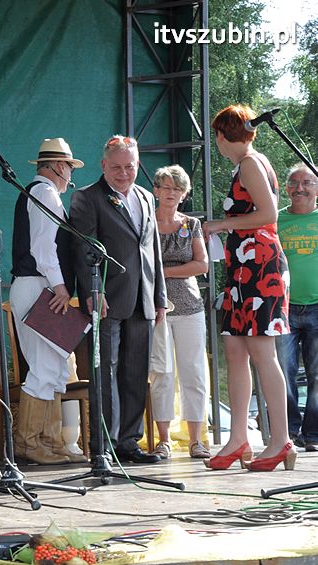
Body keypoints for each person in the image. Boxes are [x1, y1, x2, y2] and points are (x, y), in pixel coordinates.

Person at [203, 104, 293, 471]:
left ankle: (281, 439)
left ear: (223, 136)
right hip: (242, 269)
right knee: (235, 349)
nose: (218, 144)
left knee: (262, 352)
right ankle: (238, 436)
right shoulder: (246, 164)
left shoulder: (252, 163)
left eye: (218, 137)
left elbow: (269, 215)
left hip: (260, 267)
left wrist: (220, 224)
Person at [69, 135, 166, 465]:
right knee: (105, 372)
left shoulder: (145, 197)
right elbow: (84, 250)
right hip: (107, 298)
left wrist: (160, 296)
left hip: (143, 298)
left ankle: (128, 440)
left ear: (138, 165)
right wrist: (94, 291)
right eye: (117, 167)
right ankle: (104, 444)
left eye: (130, 166)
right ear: (103, 166)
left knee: (136, 371)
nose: (124, 173)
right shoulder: (87, 198)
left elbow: (152, 250)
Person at [9, 138, 87, 465]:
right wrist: (60, 287)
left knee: (53, 368)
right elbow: (44, 249)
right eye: (68, 166)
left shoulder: (41, 193)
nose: (69, 173)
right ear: (57, 166)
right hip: (39, 285)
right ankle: (28, 442)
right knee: (43, 367)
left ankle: (50, 441)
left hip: (38, 285)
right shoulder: (45, 194)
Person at [148, 165, 211, 460]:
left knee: (194, 372)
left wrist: (164, 272)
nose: (170, 193)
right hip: (155, 309)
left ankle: (197, 440)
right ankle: (163, 441)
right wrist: (170, 274)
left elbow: (202, 265)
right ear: (156, 191)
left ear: (184, 194)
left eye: (177, 188)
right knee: (162, 372)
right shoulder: (146, 222)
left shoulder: (191, 225)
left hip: (189, 306)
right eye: (165, 187)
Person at [275, 164, 318, 451]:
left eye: (307, 182)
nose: (299, 188)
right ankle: (287, 433)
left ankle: (313, 434)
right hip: (284, 308)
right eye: (293, 182)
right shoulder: (274, 220)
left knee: (317, 374)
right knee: (282, 371)